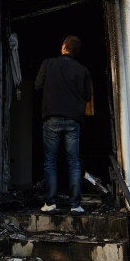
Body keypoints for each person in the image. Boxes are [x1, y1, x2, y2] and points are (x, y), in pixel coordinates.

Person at [34, 35, 92, 214]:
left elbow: (37, 86)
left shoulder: (48, 64)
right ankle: (75, 205)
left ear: (64, 46)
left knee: (50, 160)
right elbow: (88, 96)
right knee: (74, 162)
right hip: (73, 120)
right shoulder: (82, 70)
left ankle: (50, 203)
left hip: (52, 118)